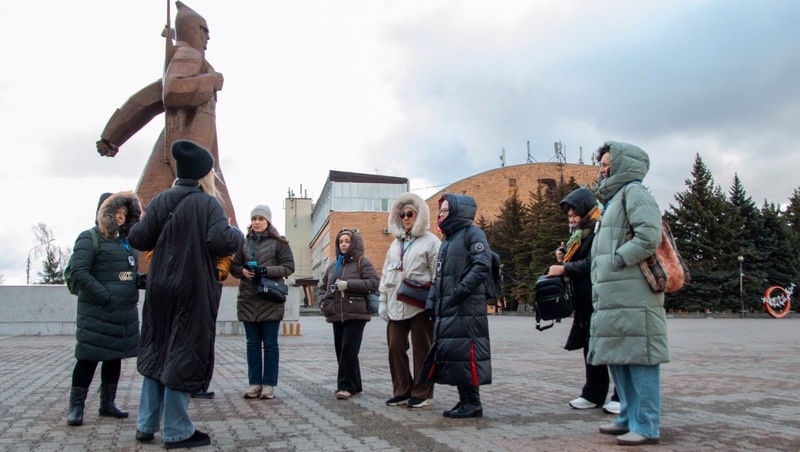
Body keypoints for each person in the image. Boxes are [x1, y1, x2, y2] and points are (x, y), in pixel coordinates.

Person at [127, 139, 244, 449]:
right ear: (204, 174)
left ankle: (146, 424)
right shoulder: (208, 204)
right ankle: (177, 429)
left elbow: (138, 237)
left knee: (157, 350)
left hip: (159, 288)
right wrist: (236, 232)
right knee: (183, 352)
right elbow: (221, 240)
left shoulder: (162, 199)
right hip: (190, 289)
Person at [95, 1, 237, 224]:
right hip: (187, 148)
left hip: (193, 148)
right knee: (205, 210)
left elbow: (149, 98)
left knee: (154, 210)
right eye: (205, 31)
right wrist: (212, 80)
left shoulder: (188, 55)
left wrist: (112, 135)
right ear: (195, 30)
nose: (207, 39)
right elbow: (172, 90)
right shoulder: (189, 55)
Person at [587, 141, 668, 446]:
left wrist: (618, 259)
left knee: (640, 359)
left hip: (633, 292)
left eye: (608, 162)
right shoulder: (613, 199)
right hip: (614, 293)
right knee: (619, 356)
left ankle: (646, 425)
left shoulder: (634, 192)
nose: (602, 168)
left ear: (624, 163)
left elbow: (649, 236)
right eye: (602, 163)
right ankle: (627, 417)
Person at [65, 191, 143, 426]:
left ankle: (107, 403)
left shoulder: (127, 242)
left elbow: (124, 273)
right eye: (116, 213)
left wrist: (139, 281)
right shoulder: (89, 238)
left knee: (114, 358)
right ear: (104, 212)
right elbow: (79, 272)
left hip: (122, 312)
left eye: (124, 213)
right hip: (97, 310)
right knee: (88, 358)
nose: (120, 217)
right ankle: (76, 407)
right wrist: (105, 296)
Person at [547, 187, 620, 415]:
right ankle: (593, 393)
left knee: (611, 347)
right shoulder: (582, 233)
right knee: (591, 346)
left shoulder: (600, 228)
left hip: (604, 297)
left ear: (586, 210)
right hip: (586, 299)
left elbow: (595, 263)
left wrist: (564, 268)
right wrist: (564, 254)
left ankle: (621, 395)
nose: (572, 219)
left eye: (574, 215)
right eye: (569, 216)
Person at [422, 193, 492, 419]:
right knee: (455, 354)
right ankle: (465, 400)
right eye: (440, 210)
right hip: (449, 308)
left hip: (466, 309)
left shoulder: (473, 234)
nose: (440, 214)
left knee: (466, 354)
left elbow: (482, 266)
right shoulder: (448, 240)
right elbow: (439, 275)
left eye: (444, 210)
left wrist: (459, 292)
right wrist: (432, 300)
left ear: (457, 210)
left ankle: (473, 402)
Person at [377, 193, 440, 409]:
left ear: (419, 214)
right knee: (395, 346)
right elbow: (386, 273)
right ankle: (402, 390)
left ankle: (422, 392)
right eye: (402, 214)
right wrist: (382, 300)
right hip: (395, 302)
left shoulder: (431, 242)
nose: (405, 218)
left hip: (419, 304)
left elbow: (438, 274)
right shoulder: (395, 245)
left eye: (410, 214)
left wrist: (435, 301)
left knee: (422, 349)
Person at [230, 205, 295, 400]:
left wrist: (265, 271)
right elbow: (234, 266)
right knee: (252, 344)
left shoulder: (279, 243)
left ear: (268, 221)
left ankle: (268, 384)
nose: (257, 222)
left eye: (261, 218)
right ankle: (254, 383)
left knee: (270, 344)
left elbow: (288, 267)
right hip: (248, 299)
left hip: (270, 300)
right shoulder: (243, 242)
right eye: (254, 218)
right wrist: (242, 271)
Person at [318, 229, 379, 400]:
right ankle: (355, 384)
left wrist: (349, 284)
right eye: (341, 241)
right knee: (341, 350)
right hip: (337, 313)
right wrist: (323, 302)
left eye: (347, 241)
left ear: (354, 243)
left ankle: (344, 386)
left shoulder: (362, 262)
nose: (343, 244)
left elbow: (374, 283)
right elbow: (322, 286)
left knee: (348, 350)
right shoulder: (333, 264)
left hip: (356, 313)